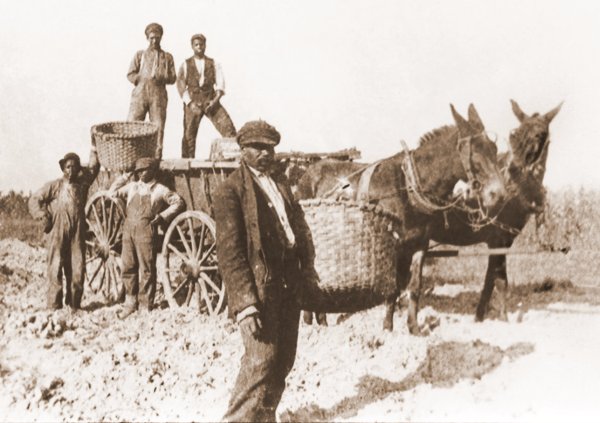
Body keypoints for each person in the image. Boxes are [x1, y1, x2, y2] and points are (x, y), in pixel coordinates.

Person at [213, 120, 318, 422]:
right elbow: (230, 253)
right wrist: (245, 306)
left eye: (269, 148)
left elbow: (298, 228)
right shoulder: (230, 191)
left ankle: (264, 417)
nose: (265, 153)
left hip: (288, 286)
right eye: (257, 147)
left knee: (283, 360)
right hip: (259, 291)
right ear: (243, 150)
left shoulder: (281, 186)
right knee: (260, 361)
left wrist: (306, 267)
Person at [109, 158, 184, 319]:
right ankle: (130, 302)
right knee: (128, 265)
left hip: (146, 230)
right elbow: (112, 192)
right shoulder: (132, 187)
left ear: (152, 171)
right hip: (128, 230)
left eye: (144, 170)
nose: (141, 174)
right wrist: (125, 177)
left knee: (147, 268)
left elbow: (178, 202)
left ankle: (145, 305)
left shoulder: (160, 189)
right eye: (138, 171)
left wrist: (163, 216)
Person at [29, 142, 100, 310]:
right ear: (63, 169)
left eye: (74, 167)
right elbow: (34, 200)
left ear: (78, 169)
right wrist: (43, 216)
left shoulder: (82, 185)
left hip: (77, 232)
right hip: (57, 231)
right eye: (68, 167)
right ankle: (54, 306)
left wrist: (94, 147)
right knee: (55, 266)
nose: (71, 170)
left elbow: (94, 168)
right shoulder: (54, 186)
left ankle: (74, 304)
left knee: (78, 266)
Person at [176, 33, 236, 158]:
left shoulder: (213, 63)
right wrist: (190, 103)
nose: (199, 47)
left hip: (210, 100)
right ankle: (187, 164)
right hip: (193, 102)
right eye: (196, 45)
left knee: (228, 128)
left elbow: (220, 84)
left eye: (201, 44)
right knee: (189, 135)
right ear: (192, 46)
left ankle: (234, 157)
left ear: (205, 46)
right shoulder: (185, 64)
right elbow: (181, 85)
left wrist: (215, 100)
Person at [127, 22, 177, 159]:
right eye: (152, 38)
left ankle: (155, 160)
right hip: (140, 95)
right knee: (133, 125)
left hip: (158, 96)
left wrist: (163, 77)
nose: (154, 40)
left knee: (158, 128)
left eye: (157, 37)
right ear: (147, 38)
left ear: (161, 37)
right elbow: (130, 74)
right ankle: (131, 158)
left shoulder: (167, 57)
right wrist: (140, 79)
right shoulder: (140, 55)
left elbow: (173, 78)